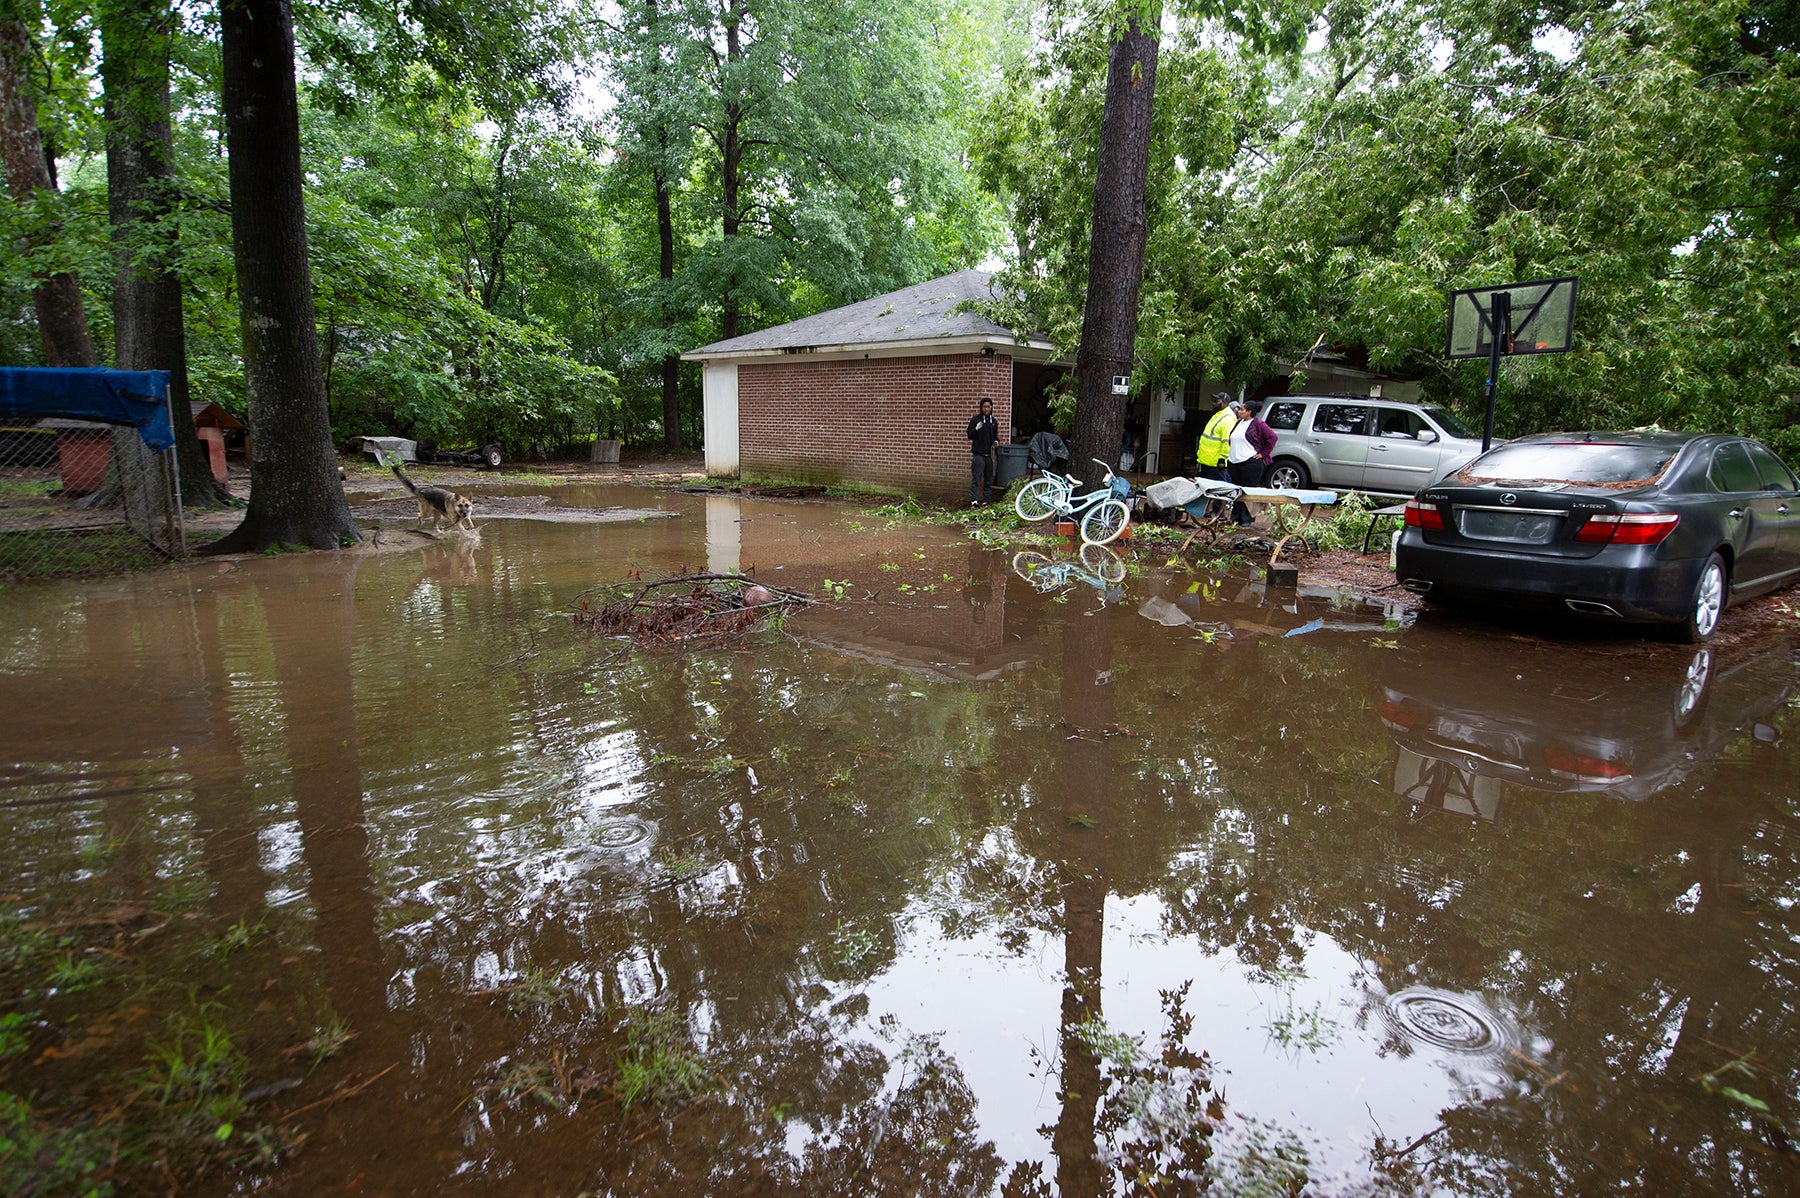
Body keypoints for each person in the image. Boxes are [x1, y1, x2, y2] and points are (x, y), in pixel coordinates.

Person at [1227, 398, 1277, 525]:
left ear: (1249, 412)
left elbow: (1272, 437)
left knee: (1248, 492)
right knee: (1237, 491)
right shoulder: (1238, 423)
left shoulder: (1258, 424)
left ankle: (1246, 518)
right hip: (1234, 462)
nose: (1239, 411)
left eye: (1242, 409)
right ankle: (1235, 517)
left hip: (1250, 463)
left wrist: (1263, 454)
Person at [1195, 391, 1237, 517]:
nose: (1213, 403)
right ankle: (1202, 510)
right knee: (1201, 487)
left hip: (1215, 461)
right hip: (1205, 460)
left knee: (1219, 488)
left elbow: (1226, 441)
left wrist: (1222, 459)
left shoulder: (1228, 418)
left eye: (1216, 401)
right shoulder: (1218, 415)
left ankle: (1219, 512)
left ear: (1224, 403)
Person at [967, 396, 1000, 506]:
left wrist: (996, 442)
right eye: (984, 407)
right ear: (981, 408)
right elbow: (969, 435)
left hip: (989, 455)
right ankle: (974, 502)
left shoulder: (993, 422)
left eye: (988, 407)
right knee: (976, 479)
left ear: (991, 408)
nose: (986, 409)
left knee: (988, 479)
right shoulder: (976, 420)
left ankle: (986, 501)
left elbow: (995, 436)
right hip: (978, 455)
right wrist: (976, 429)